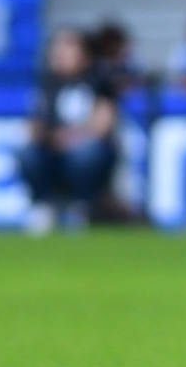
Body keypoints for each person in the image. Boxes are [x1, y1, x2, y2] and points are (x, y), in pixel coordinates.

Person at [17, 27, 120, 234]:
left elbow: (104, 124)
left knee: (88, 153)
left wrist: (72, 137)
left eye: (67, 48)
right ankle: (43, 206)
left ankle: (81, 207)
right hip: (52, 149)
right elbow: (34, 125)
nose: (60, 54)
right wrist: (49, 137)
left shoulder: (98, 81)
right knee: (29, 153)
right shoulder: (47, 84)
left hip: (83, 146)